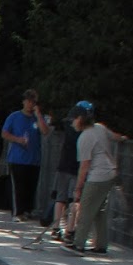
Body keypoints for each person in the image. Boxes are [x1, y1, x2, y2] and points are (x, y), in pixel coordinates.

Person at [65, 101, 129, 254]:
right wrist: (123, 138)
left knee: (85, 209)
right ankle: (101, 245)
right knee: (99, 210)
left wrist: (78, 189)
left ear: (81, 119)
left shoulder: (84, 138)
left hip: (98, 177)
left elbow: (84, 167)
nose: (72, 123)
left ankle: (78, 244)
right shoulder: (100, 127)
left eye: (73, 119)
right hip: (110, 174)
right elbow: (114, 136)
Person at [1, 88, 49, 223]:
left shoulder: (37, 118)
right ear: (24, 102)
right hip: (17, 159)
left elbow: (45, 131)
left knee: (31, 187)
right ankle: (17, 212)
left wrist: (38, 115)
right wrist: (17, 140)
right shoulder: (14, 116)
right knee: (18, 187)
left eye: (33, 102)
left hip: (34, 159)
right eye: (28, 101)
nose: (30, 104)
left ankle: (27, 210)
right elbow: (4, 133)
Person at [47, 102, 85, 241]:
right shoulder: (84, 131)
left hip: (63, 166)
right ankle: (70, 229)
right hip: (75, 168)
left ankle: (56, 228)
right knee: (74, 200)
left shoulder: (68, 127)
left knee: (60, 198)